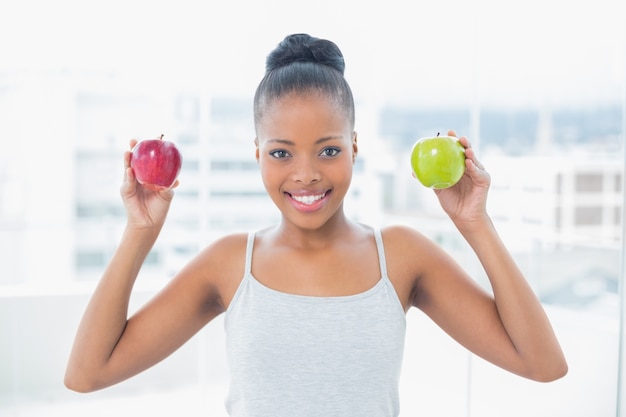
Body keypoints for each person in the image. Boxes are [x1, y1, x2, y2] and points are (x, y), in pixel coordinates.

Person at [64, 33, 568, 416]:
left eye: (328, 150)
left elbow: (542, 365)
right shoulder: (228, 264)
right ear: (258, 154)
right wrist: (139, 232)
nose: (305, 173)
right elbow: (88, 373)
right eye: (282, 153)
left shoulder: (402, 257)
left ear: (354, 146)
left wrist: (475, 223)